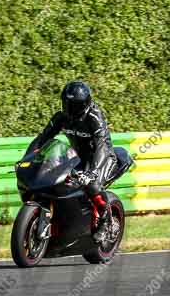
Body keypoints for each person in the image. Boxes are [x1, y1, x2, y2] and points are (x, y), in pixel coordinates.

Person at [27, 81, 118, 242]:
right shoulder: (61, 117)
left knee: (92, 184)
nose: (69, 109)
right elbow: (43, 138)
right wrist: (28, 159)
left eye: (74, 105)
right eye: (66, 104)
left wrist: (93, 171)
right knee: (53, 176)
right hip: (78, 156)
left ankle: (105, 221)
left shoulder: (94, 117)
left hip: (102, 157)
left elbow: (101, 145)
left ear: (84, 104)